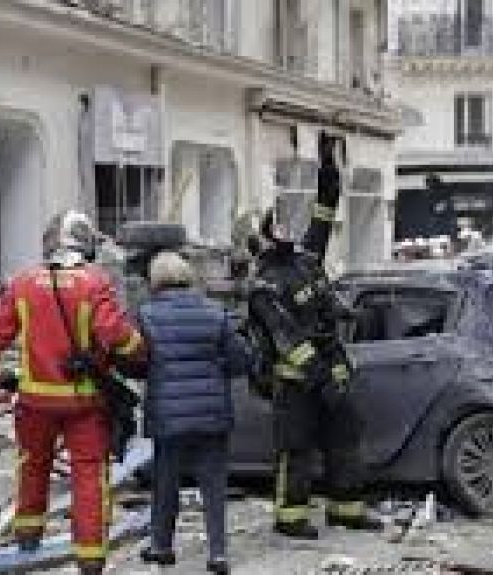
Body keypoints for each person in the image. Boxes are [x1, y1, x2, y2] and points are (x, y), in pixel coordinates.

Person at [0, 210, 144, 575]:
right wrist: (140, 354)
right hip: (83, 401)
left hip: (34, 401)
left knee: (32, 466)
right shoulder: (94, 283)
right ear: (85, 245)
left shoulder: (22, 283)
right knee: (89, 473)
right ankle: (90, 556)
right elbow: (115, 334)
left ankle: (28, 537)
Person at [246, 133, 383, 539]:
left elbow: (324, 215)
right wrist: (323, 379)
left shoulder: (307, 260)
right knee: (296, 449)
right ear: (265, 237)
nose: (289, 231)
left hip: (330, 371)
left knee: (345, 440)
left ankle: (347, 509)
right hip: (295, 381)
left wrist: (329, 171)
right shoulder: (264, 285)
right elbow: (287, 338)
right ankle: (290, 519)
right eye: (279, 226)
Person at [136, 251, 251, 575]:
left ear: (155, 281)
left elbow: (135, 361)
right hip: (211, 413)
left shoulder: (146, 315)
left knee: (166, 482)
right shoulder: (216, 312)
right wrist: (216, 372)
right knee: (213, 485)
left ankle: (162, 546)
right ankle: (217, 553)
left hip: (167, 415)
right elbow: (242, 359)